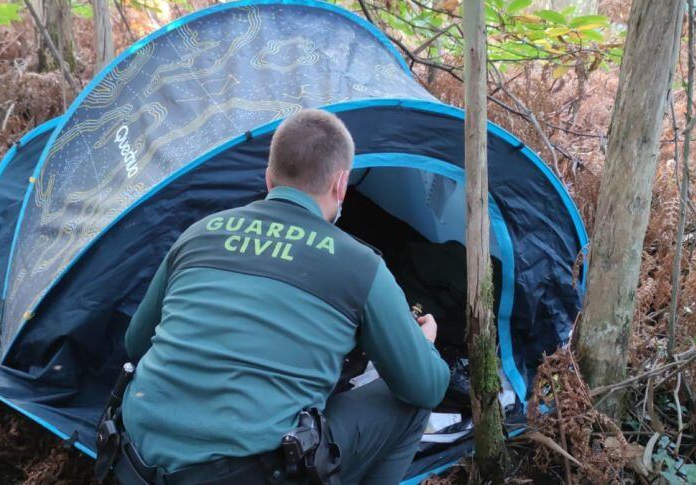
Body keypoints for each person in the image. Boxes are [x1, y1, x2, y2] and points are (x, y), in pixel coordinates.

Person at [120, 108, 450, 484]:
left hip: (135, 463)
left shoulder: (198, 234)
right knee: (408, 406)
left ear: (268, 176)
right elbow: (427, 386)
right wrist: (424, 346)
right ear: (341, 185)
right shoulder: (361, 265)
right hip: (246, 475)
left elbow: (135, 345)